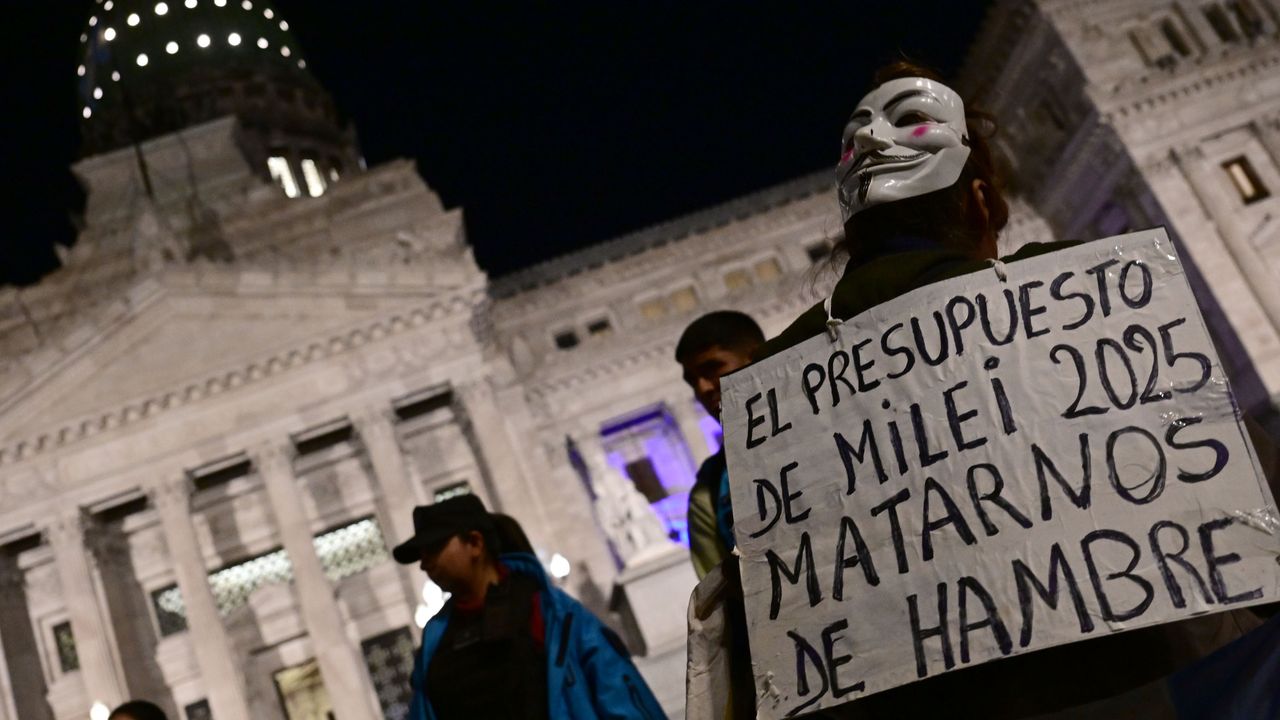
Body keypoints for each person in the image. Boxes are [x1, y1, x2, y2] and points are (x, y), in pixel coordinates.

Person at [688, 60, 1270, 720]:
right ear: (983, 202)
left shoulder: (769, 397)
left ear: (849, 236)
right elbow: (1252, 501)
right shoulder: (1089, 303)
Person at [394, 494, 666, 720]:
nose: (424, 563)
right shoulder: (435, 642)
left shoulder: (554, 614)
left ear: (475, 543)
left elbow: (621, 698)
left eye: (434, 547)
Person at [674, 310, 766, 579]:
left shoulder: (832, 422)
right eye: (693, 381)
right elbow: (719, 598)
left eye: (712, 369)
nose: (702, 388)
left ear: (756, 356)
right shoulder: (708, 495)